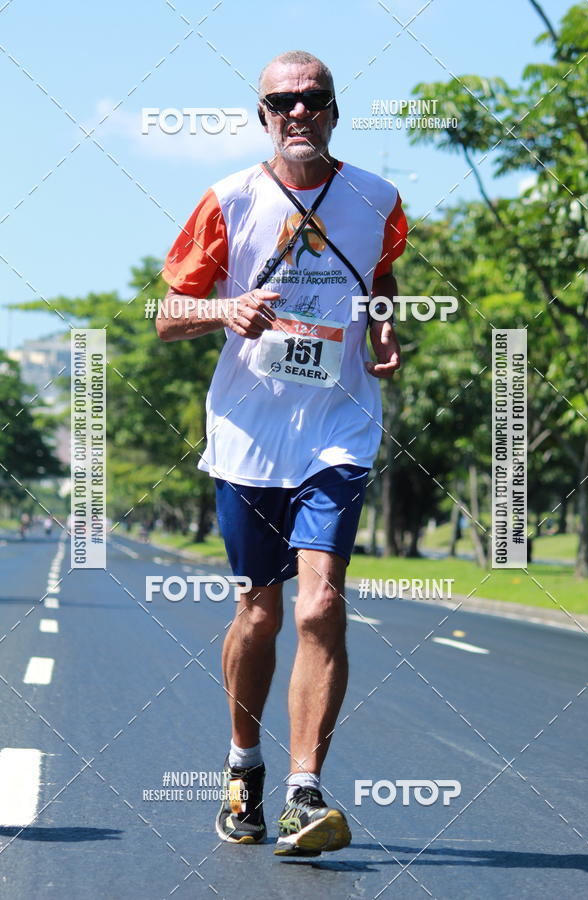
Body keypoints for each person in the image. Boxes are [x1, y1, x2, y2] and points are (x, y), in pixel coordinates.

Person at [157, 50, 408, 856]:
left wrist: (380, 325)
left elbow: (380, 273)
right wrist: (227, 308)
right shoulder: (228, 200)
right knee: (259, 611)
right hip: (247, 436)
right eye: (282, 101)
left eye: (314, 99)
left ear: (334, 110)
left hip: (337, 426)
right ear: (262, 113)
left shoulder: (378, 198)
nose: (298, 111)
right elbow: (168, 314)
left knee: (320, 603)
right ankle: (244, 765)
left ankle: (305, 793)